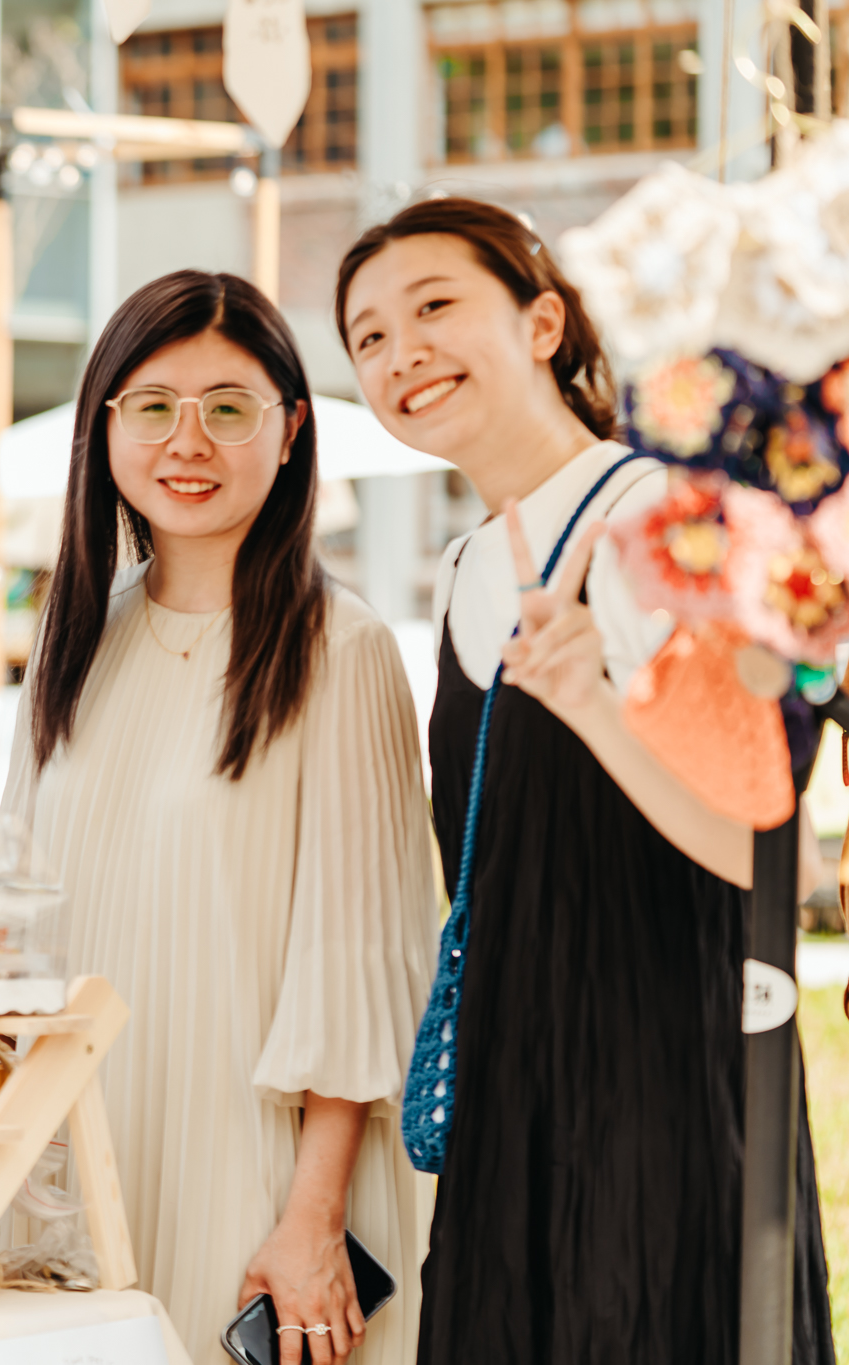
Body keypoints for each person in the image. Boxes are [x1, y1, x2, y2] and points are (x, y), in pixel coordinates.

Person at [335, 197, 833, 1363]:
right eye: (364, 337)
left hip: (659, 1082)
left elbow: (774, 854)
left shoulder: (665, 520)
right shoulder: (462, 563)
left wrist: (594, 707)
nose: (398, 351)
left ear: (543, 321)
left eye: (433, 306)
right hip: (509, 1093)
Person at [0, 271, 436, 1365]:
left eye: (226, 408)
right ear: (102, 427)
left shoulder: (342, 650)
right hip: (80, 1161)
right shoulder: (74, 642)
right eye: (151, 406)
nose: (185, 441)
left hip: (258, 1174)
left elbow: (359, 958)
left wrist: (309, 1219)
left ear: (289, 431)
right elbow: (6, 909)